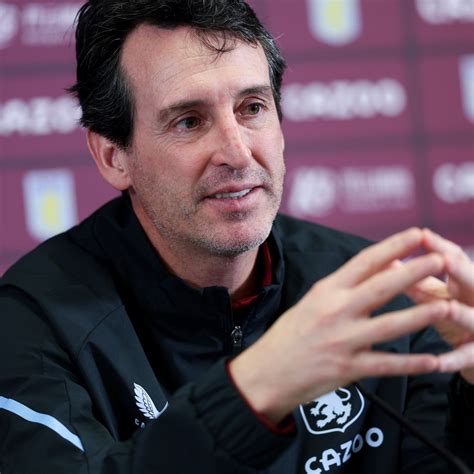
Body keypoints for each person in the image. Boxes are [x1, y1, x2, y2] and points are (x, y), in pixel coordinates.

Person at [0, 1, 473, 473]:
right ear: (113, 157)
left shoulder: (375, 294)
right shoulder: (32, 325)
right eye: (189, 121)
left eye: (252, 108)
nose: (238, 152)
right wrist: (254, 388)